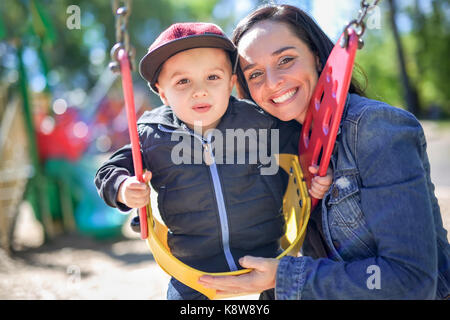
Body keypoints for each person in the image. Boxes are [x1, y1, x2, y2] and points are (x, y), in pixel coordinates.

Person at [198, 4, 450, 299]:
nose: (273, 81)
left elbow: (412, 280)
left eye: (286, 60)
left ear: (318, 58)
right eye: (254, 74)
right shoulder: (285, 148)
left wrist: (284, 277)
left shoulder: (373, 128)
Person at [94, 22, 332, 300]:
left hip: (265, 256)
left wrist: (315, 174)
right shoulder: (151, 133)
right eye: (183, 81)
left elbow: (305, 146)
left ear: (231, 82)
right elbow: (109, 170)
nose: (199, 91)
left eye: (213, 78)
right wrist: (124, 187)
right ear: (162, 93)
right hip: (193, 269)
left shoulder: (257, 122)